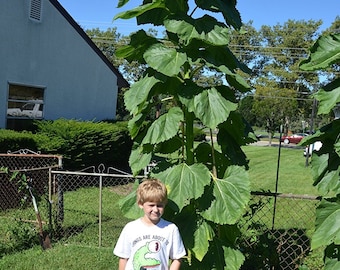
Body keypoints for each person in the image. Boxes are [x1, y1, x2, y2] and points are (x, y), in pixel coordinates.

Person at [114, 178, 186, 270]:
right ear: (140, 204)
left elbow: (177, 258)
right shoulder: (130, 228)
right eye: (151, 205)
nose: (155, 210)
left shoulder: (171, 229)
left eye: (159, 205)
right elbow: (123, 258)